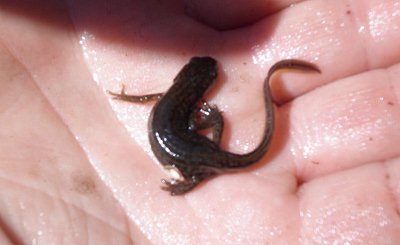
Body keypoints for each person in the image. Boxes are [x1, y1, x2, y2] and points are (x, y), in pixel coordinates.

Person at [0, 0, 399, 244]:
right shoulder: (184, 106)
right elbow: (165, 108)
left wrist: (204, 130)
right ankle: (195, 178)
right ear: (192, 85)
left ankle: (195, 177)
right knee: (201, 157)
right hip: (190, 152)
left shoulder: (174, 100)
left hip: (189, 147)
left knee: (201, 155)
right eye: (206, 77)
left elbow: (154, 101)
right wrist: (198, 157)